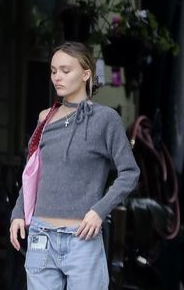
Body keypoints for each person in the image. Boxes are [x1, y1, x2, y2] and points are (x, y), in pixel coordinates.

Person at [9, 41, 140, 290]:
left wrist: (99, 210)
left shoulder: (106, 119)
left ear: (86, 74)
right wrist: (18, 213)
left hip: (82, 237)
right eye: (53, 70)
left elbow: (130, 173)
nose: (57, 77)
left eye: (65, 70)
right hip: (41, 237)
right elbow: (33, 175)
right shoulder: (44, 118)